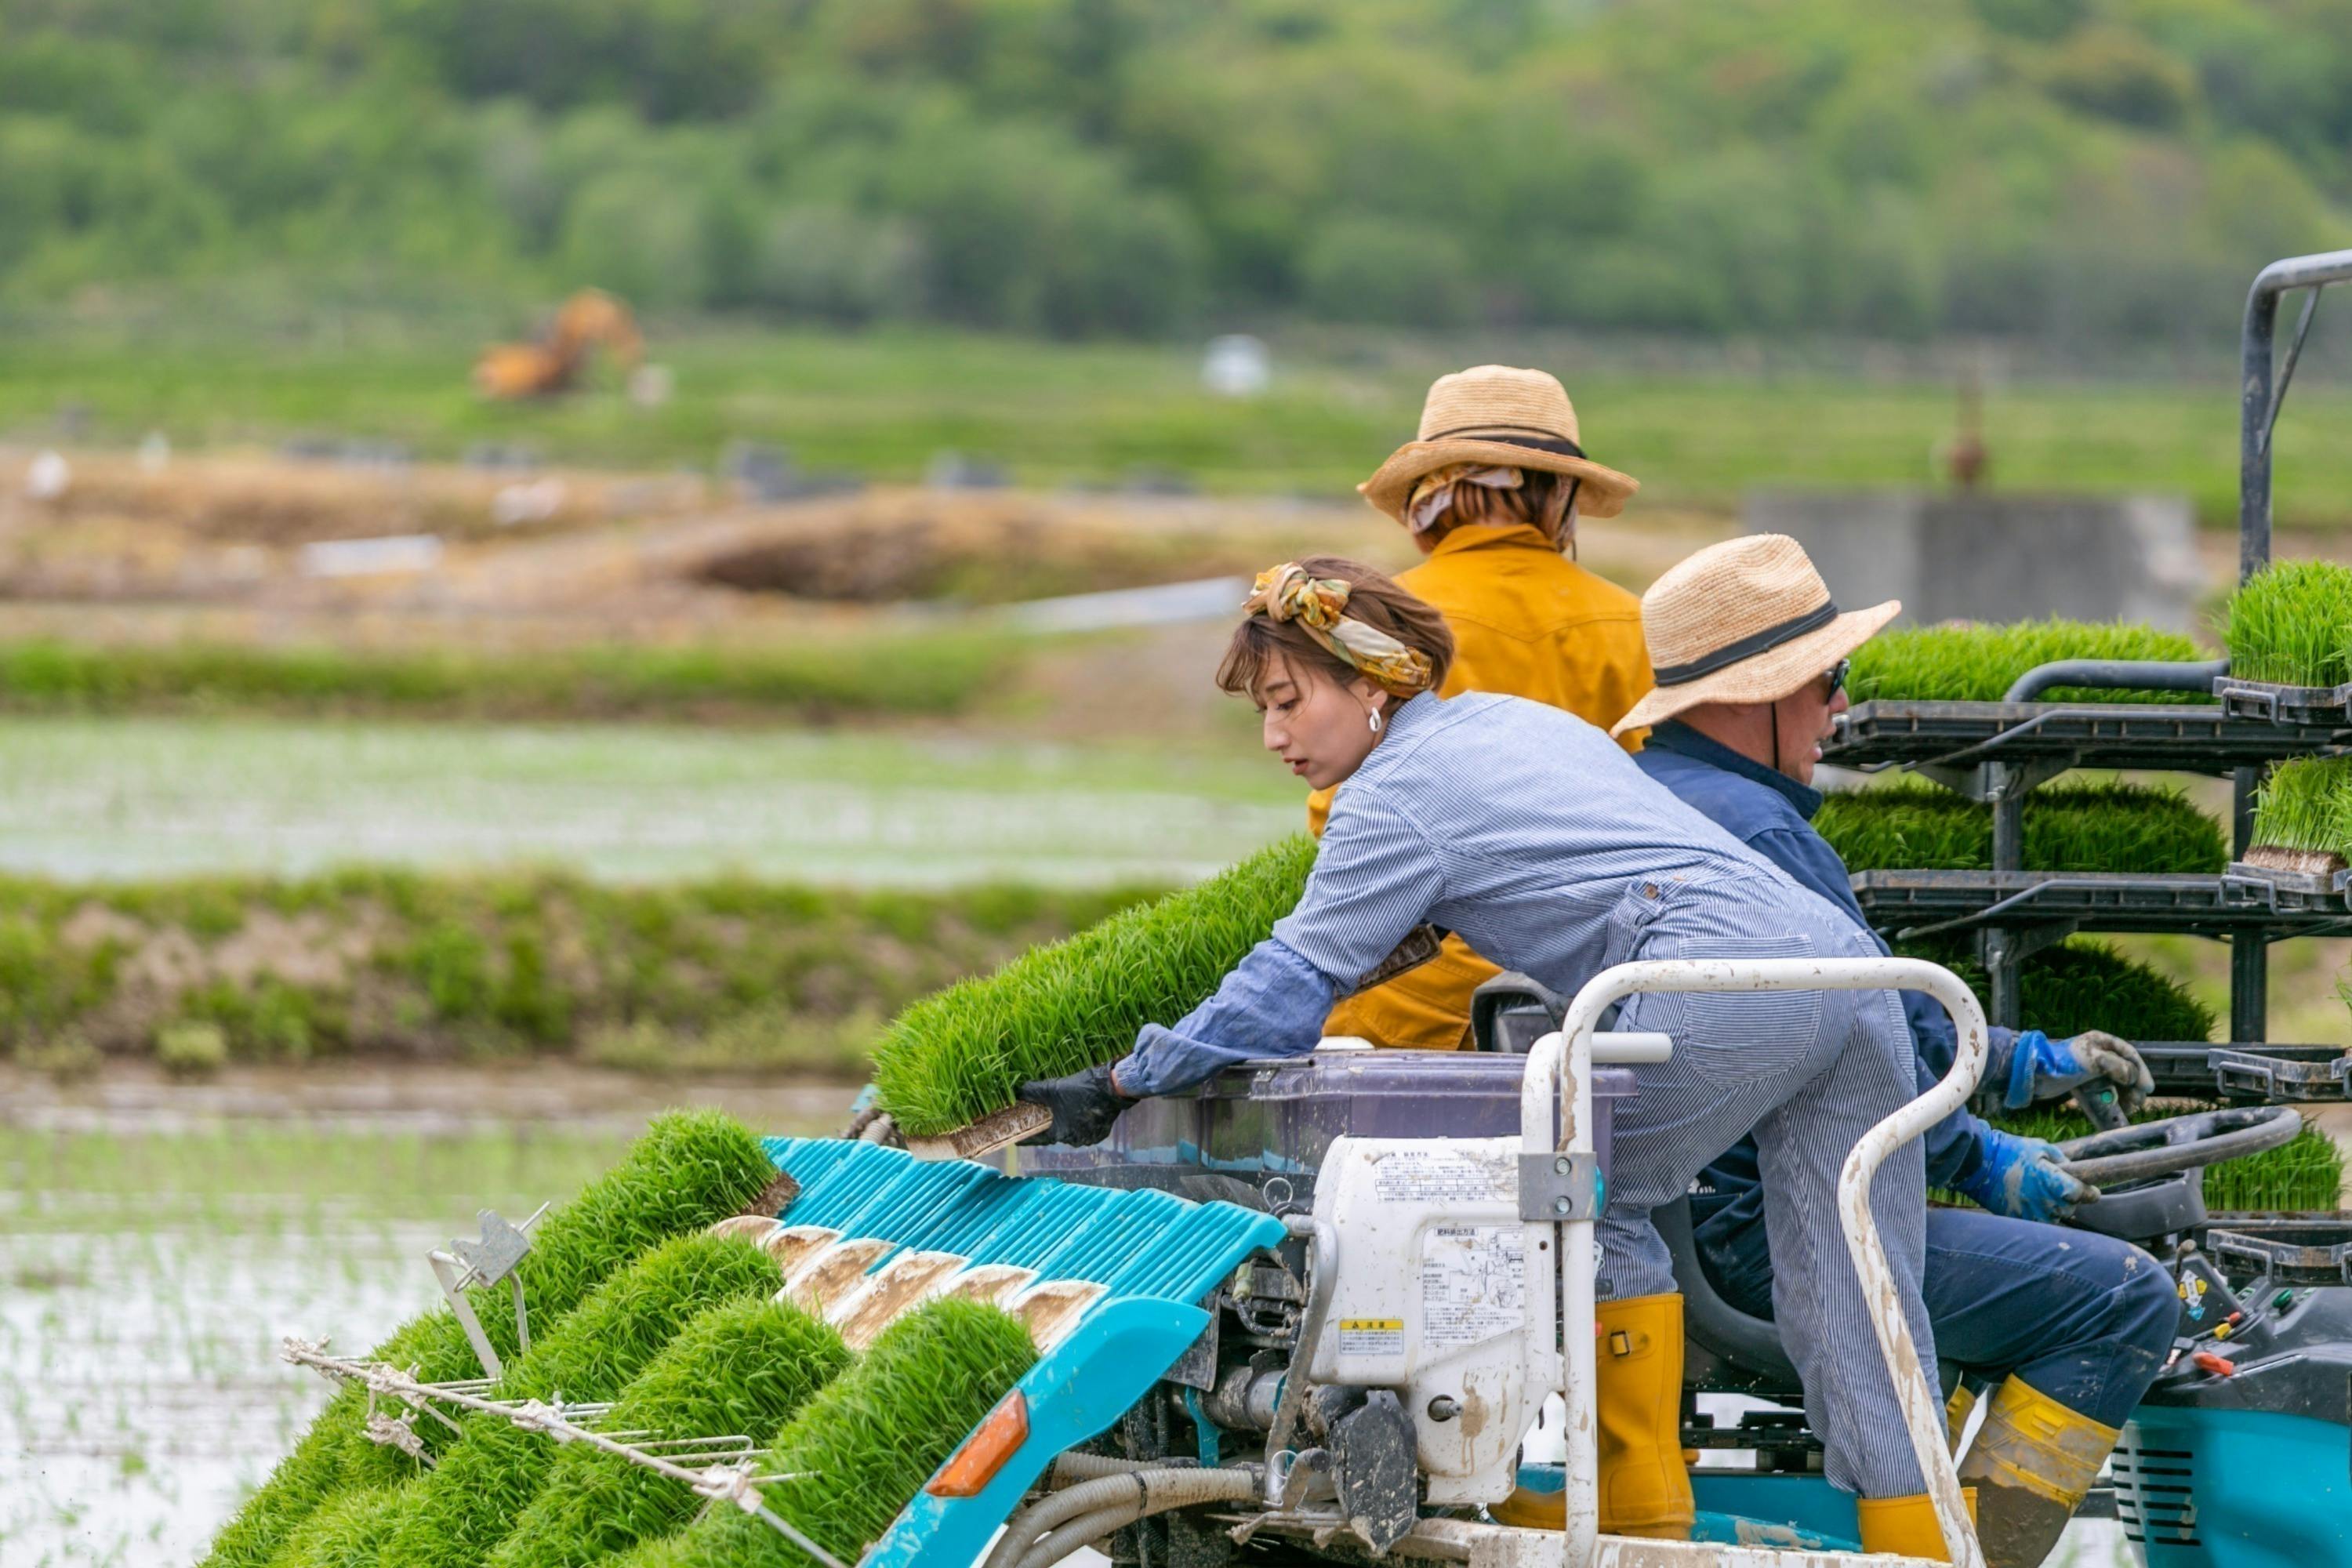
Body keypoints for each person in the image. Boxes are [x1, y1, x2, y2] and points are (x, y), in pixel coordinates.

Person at [1020, 557, 1948, 1552]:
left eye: (1289, 701)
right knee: (1861, 1279)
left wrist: (1126, 1077)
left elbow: (1290, 987)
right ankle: (1924, 1536)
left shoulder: (1393, 796)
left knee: (1578, 1188)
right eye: (1262, 712)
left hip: (1717, 970)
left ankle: (1630, 1501)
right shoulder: (1507, 721)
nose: (1276, 736)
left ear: (1372, 682)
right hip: (1855, 973)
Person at [1613, 534, 2176, 1568]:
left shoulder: (1654, 802)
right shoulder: (1763, 835)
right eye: (1830, 679)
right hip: (1771, 1225)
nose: (1839, 707)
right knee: (2124, 1295)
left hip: (1683, 1213)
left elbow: (1856, 1016)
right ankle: (1962, 1551)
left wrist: (2001, 1073)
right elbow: (1869, 1025)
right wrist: (1989, 1138)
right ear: (1761, 692)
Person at [1314, 365, 1654, 1051]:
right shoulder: (1634, 625)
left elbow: (1337, 818)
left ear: (1427, 498)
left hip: (1402, 1005)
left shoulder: (1373, 621)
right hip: (1577, 1002)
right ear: (1559, 497)